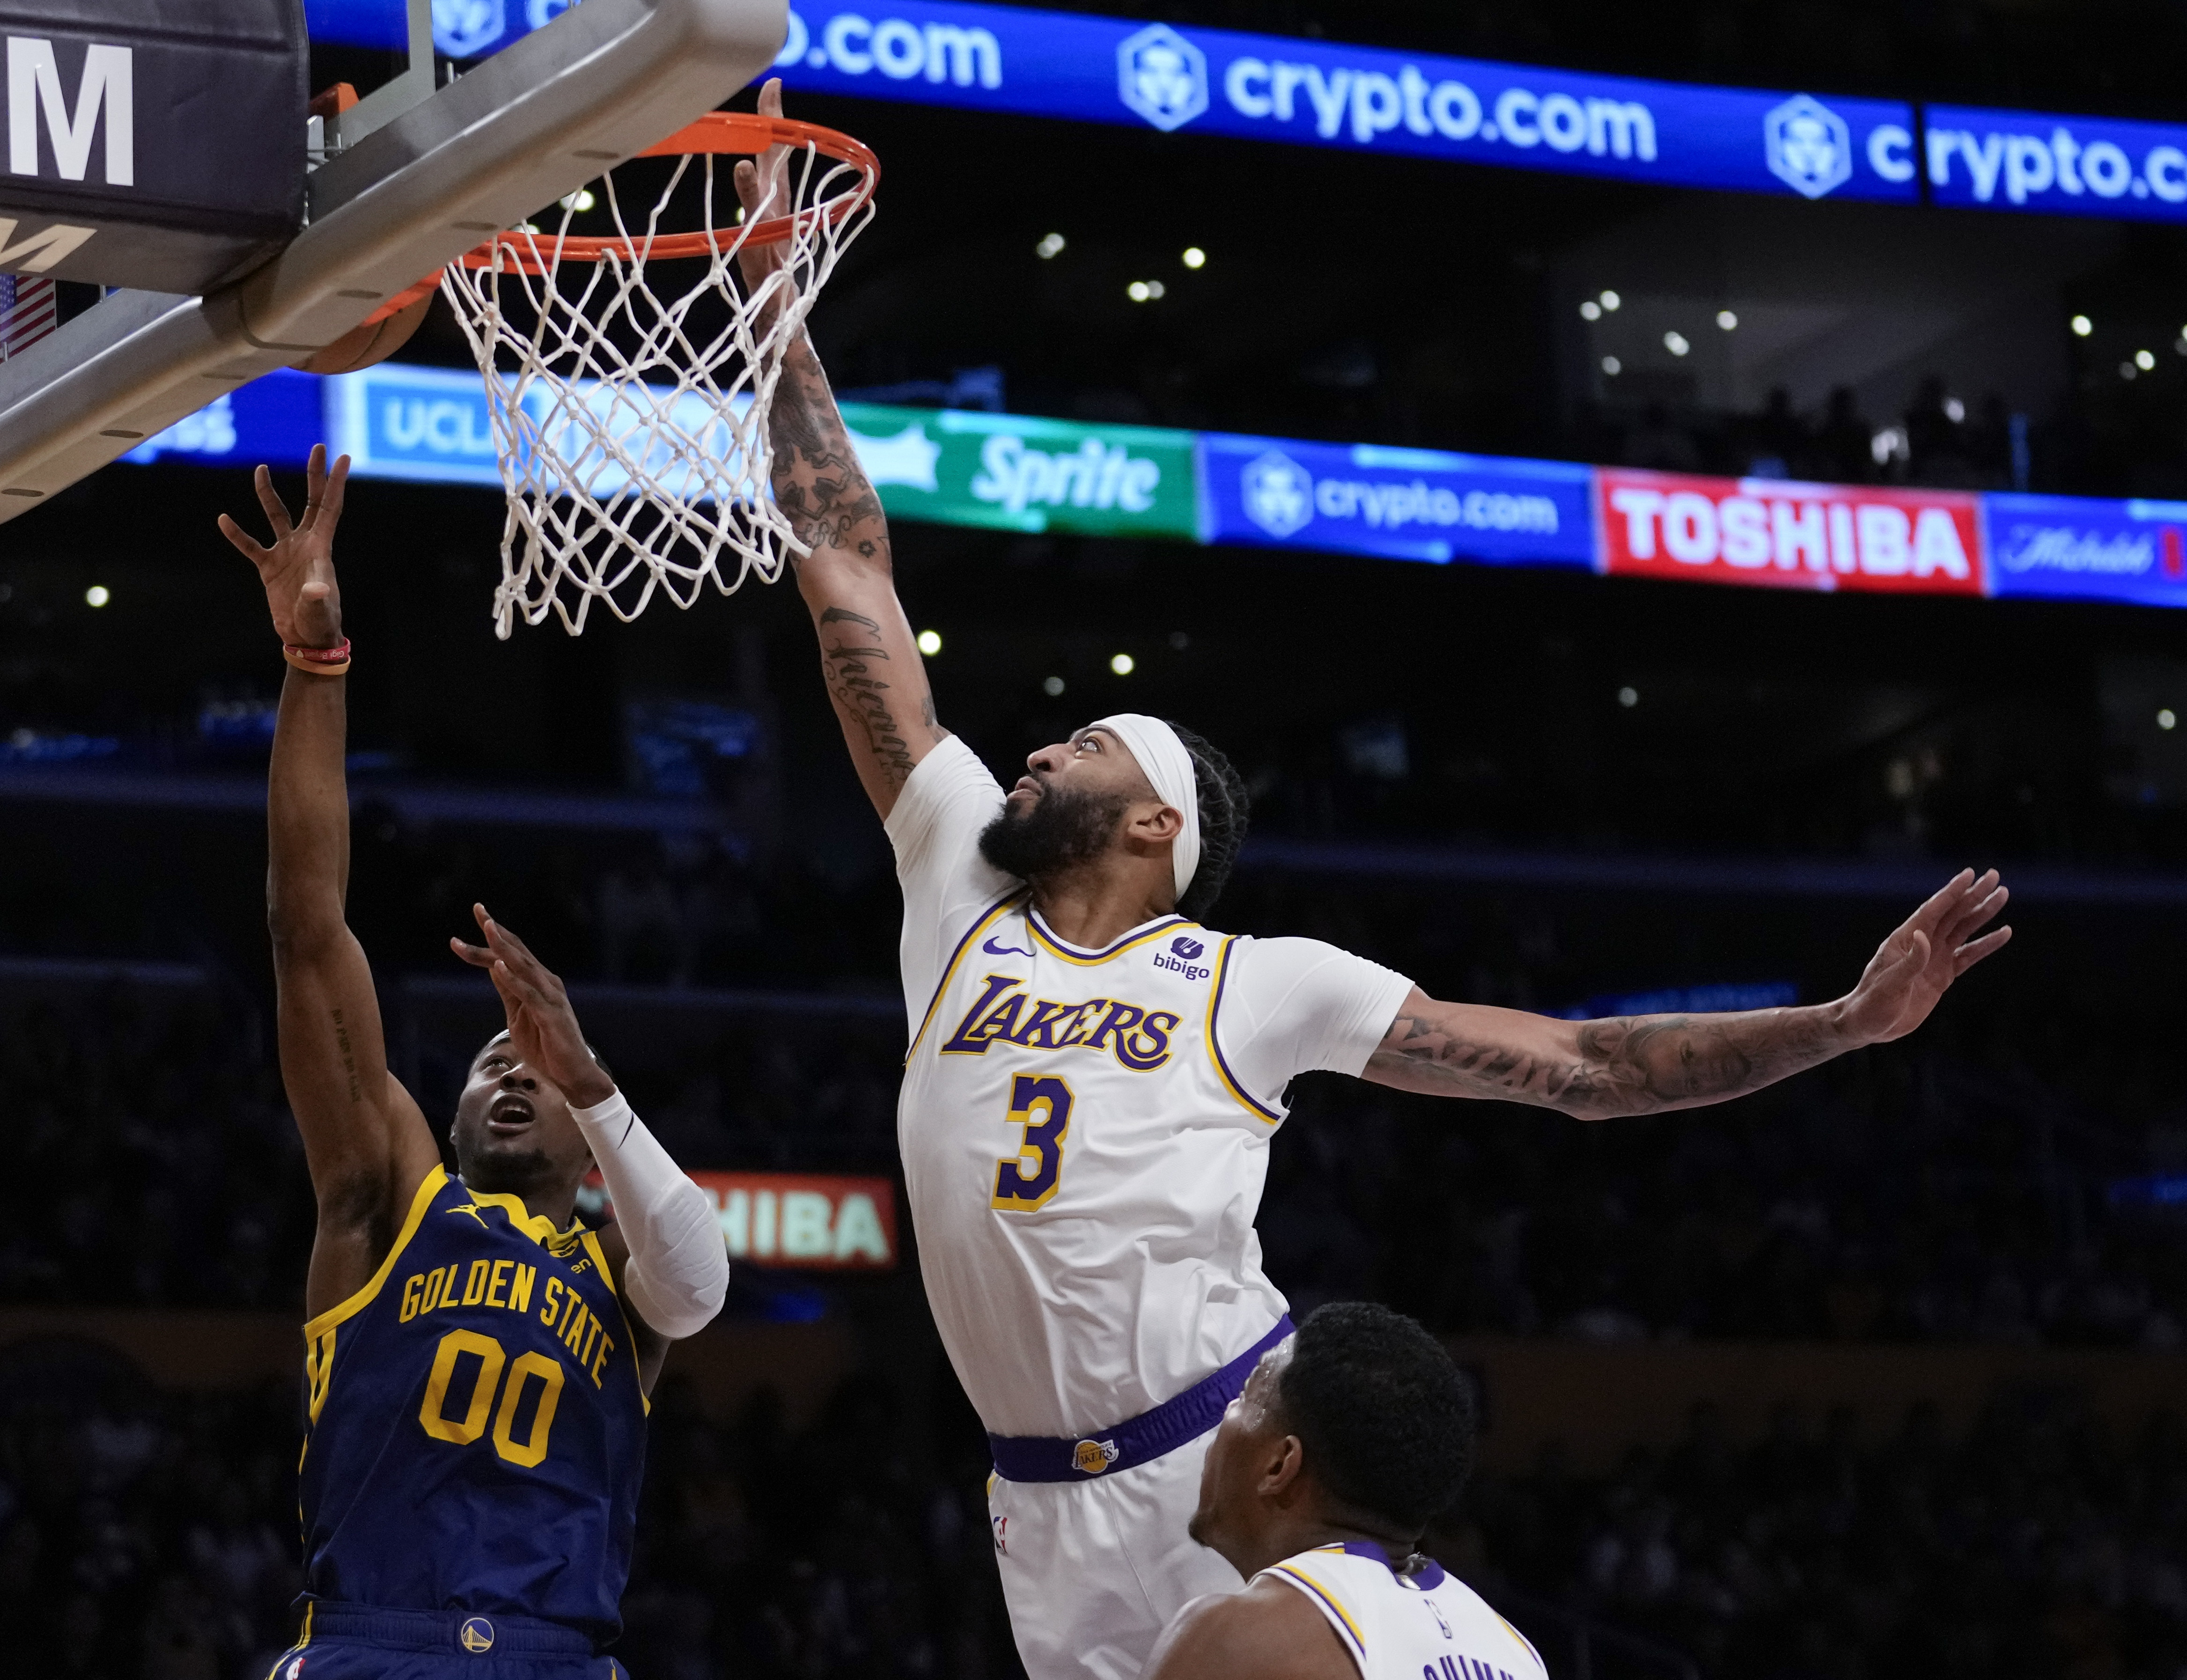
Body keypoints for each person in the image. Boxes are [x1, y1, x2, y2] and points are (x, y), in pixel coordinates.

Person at [732, 79, 2014, 1680]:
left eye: (1089, 743)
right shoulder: (953, 883)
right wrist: (774, 311)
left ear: (1158, 829)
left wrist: (1839, 1021)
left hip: (1236, 1470)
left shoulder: (1255, 977)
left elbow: (1582, 1066)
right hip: (1030, 1502)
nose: (1041, 747)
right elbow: (845, 560)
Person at [219, 448, 729, 1679]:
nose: (512, 1073)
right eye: (490, 1059)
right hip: (370, 1644)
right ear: (440, 1105)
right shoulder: (383, 1194)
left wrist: (589, 1071)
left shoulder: (626, 1279)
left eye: (537, 1070)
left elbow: (702, 1280)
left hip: (561, 1656)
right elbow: (305, 921)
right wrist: (315, 665)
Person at [1142, 1303, 1539, 1680]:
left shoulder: (1237, 1640)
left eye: (1246, 1395)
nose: (1223, 1415)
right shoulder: (1517, 1654)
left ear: (1280, 1464)